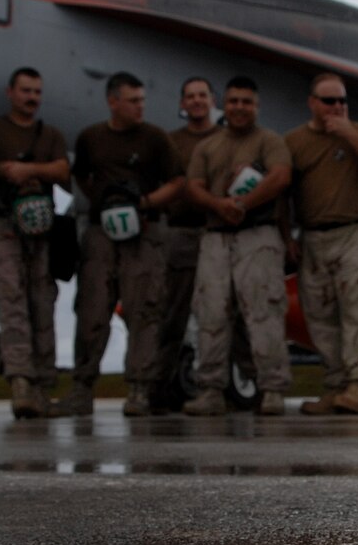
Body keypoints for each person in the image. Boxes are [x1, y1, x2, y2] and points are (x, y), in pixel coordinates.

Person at [68, 72, 183, 417]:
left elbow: (177, 181)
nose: (140, 107)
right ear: (112, 101)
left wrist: (145, 203)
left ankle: (138, 390)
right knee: (91, 311)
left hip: (144, 234)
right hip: (102, 235)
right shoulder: (91, 138)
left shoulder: (156, 138)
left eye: (142, 100)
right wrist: (104, 204)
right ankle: (82, 388)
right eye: (133, 101)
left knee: (144, 310)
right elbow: (81, 176)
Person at [181, 75, 293, 418]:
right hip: (216, 236)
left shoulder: (269, 140)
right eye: (234, 101)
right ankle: (211, 389)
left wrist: (242, 203)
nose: (240, 108)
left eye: (247, 102)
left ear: (256, 106)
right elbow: (194, 186)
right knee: (211, 313)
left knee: (264, 312)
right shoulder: (208, 146)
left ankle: (272, 389)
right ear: (223, 105)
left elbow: (280, 176)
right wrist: (219, 206)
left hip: (258, 236)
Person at [0, 68, 71, 419]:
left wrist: (30, 172)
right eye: (26, 91)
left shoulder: (50, 134)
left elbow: (62, 171)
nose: (32, 98)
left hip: (40, 229)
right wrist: (4, 170)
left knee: (43, 304)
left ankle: (42, 388)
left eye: (37, 92)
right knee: (11, 303)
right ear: (10, 92)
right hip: (3, 226)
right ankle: (21, 384)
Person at [285, 72, 358, 415]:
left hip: (355, 232)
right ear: (312, 103)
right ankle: (335, 385)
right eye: (329, 101)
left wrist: (348, 132)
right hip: (314, 236)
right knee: (319, 314)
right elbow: (283, 191)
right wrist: (286, 234)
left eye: (342, 101)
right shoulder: (294, 141)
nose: (337, 107)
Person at [151, 76, 218, 411]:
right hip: (179, 233)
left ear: (212, 100)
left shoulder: (225, 139)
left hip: (218, 233)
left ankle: (222, 387)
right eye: (190, 96)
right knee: (172, 313)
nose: (196, 101)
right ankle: (160, 387)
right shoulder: (169, 141)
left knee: (221, 313)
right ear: (181, 103)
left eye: (202, 96)